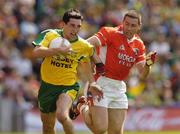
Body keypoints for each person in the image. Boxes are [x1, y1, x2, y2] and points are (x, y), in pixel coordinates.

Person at [75, 9, 157, 134]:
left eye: (133, 25)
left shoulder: (139, 44)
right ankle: (81, 106)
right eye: (127, 24)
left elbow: (143, 74)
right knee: (101, 129)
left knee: (116, 132)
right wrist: (96, 61)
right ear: (123, 22)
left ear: (139, 27)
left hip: (119, 86)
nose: (129, 28)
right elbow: (86, 45)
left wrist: (148, 64)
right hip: (100, 82)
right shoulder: (109, 32)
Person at [32, 8, 103, 134]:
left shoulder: (83, 45)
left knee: (62, 115)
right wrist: (57, 51)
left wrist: (92, 84)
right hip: (46, 86)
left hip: (68, 86)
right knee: (48, 127)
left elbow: (87, 64)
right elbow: (36, 52)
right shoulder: (50, 34)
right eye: (72, 25)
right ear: (63, 24)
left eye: (78, 26)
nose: (75, 29)